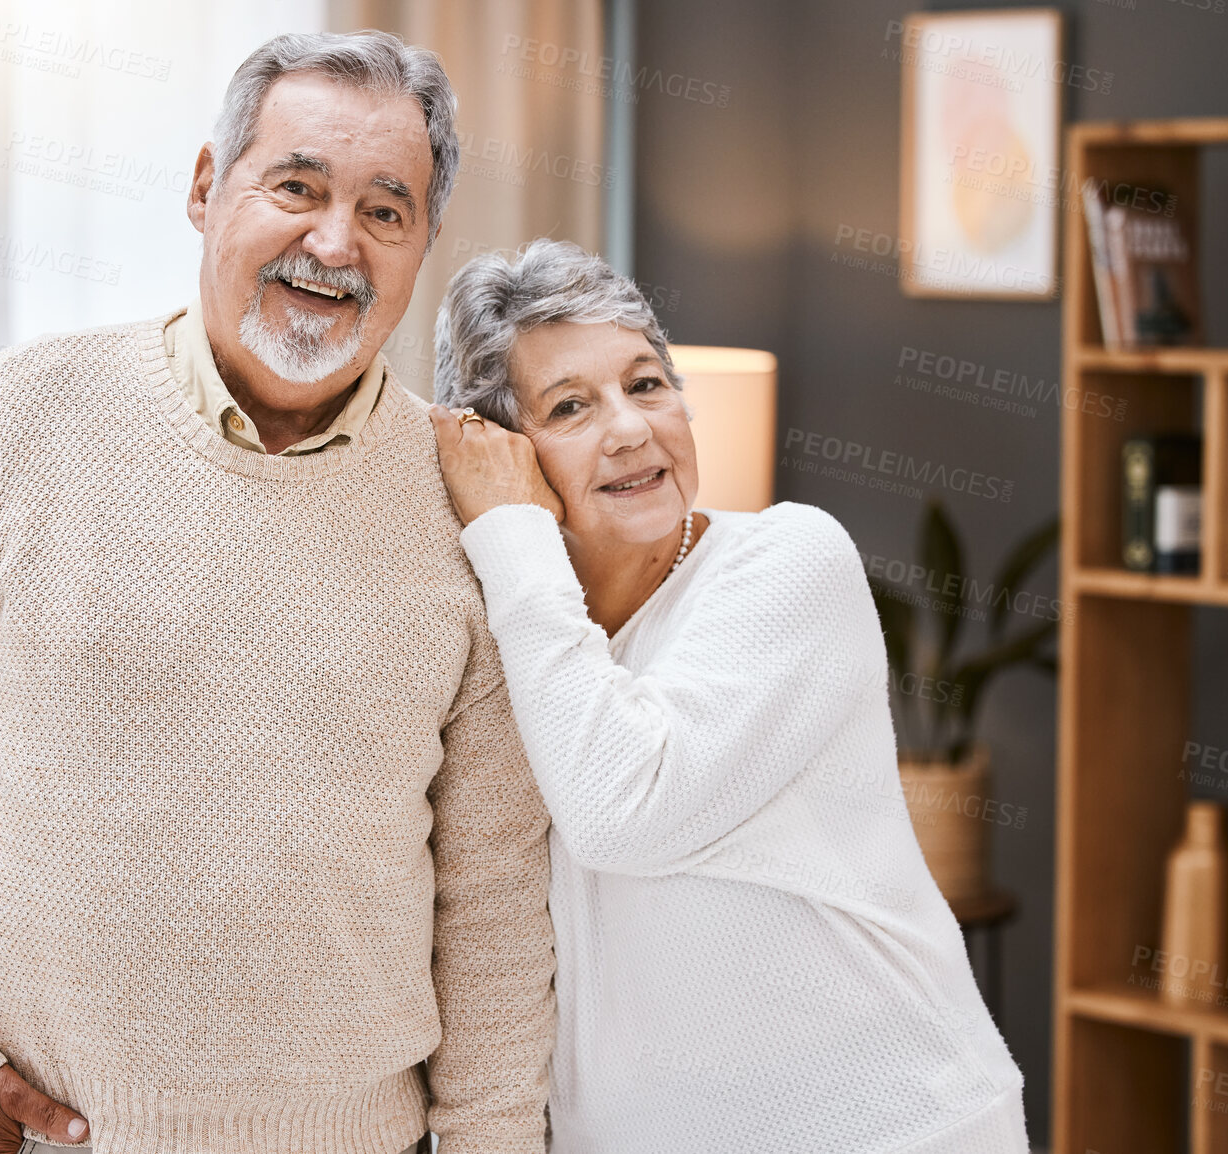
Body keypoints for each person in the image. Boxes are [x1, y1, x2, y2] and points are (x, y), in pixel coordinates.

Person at [0, 32, 556, 1154]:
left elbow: (492, 899)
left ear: (425, 240)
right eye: (295, 186)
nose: (333, 241)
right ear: (207, 188)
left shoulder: (468, 501)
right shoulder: (20, 417)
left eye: (386, 210)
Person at [428, 239, 1030, 1153]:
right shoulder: (514, 639)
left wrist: (511, 531)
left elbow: (622, 807)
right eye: (570, 407)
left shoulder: (788, 564)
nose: (630, 428)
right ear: (501, 453)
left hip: (892, 1126)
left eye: (646, 383)